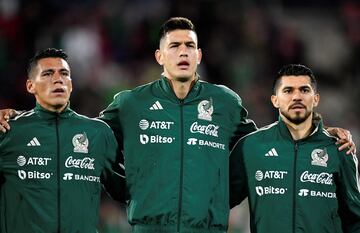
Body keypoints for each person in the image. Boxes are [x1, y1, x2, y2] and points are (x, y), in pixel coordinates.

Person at [0, 18, 356, 233]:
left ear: (199, 55)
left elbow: (263, 148)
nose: (183, 51)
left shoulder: (226, 103)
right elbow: (89, 142)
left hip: (207, 228)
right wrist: (24, 119)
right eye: (174, 46)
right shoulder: (130, 103)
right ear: (160, 56)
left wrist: (322, 136)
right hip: (150, 227)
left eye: (190, 46)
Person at [0, 48, 123, 233]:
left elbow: (128, 188)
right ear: (30, 86)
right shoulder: (9, 131)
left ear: (71, 85)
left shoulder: (98, 133)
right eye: (48, 74)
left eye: (64, 73)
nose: (58, 79)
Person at [229, 64, 360, 233]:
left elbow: (356, 221)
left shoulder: (339, 149)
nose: (297, 96)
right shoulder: (250, 147)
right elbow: (216, 205)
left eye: (304, 90)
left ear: (316, 99)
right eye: (288, 90)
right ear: (275, 100)